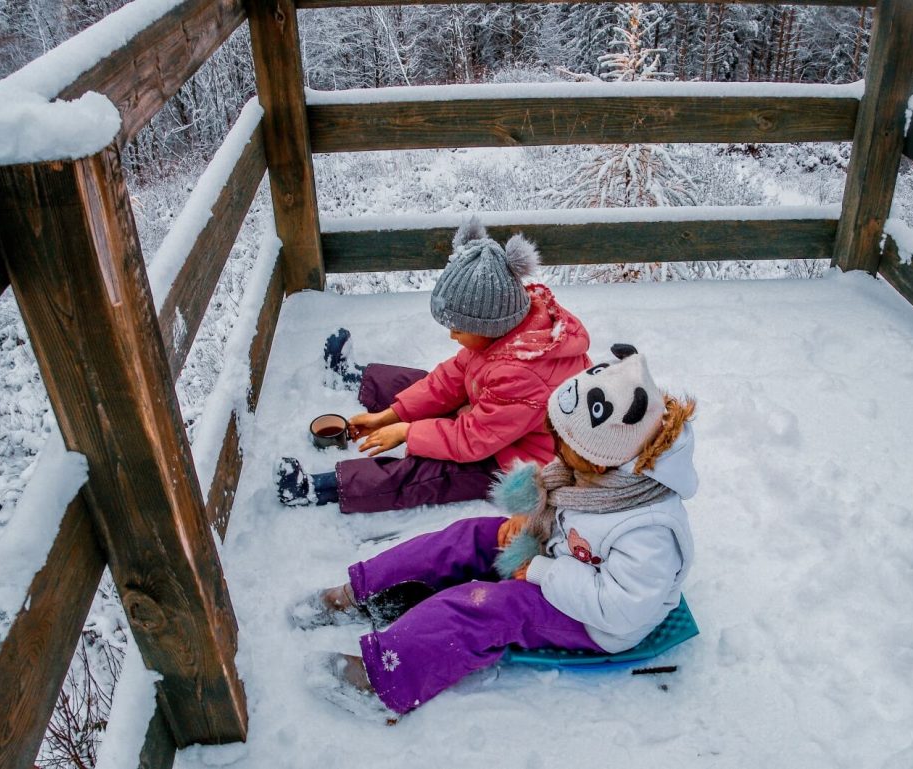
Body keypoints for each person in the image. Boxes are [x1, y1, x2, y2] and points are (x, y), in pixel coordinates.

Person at [294, 345, 698, 717]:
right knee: (469, 537)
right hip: (560, 556)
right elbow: (571, 505)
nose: (555, 451)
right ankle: (367, 591)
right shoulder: (603, 470)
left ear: (597, 461)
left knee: (486, 607)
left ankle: (384, 678)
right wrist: (535, 519)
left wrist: (539, 570)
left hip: (598, 621)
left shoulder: (650, 531)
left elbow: (622, 608)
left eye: (565, 447)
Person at [277, 218, 591, 514]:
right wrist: (391, 415)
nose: (452, 335)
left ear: (489, 325)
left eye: (459, 328)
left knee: (429, 471)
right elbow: (450, 379)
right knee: (432, 384)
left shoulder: (523, 372)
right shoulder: (510, 329)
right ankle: (353, 378)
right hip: (500, 421)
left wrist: (407, 432)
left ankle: (317, 489)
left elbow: (470, 440)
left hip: (520, 461)